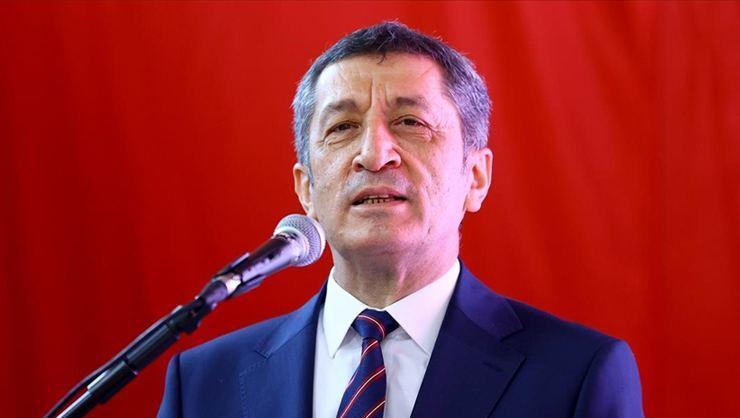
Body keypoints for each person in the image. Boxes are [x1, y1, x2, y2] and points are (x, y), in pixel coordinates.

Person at [157, 21, 643, 418]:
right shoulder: (203, 385)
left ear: (475, 177)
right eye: (343, 127)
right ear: (306, 189)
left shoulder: (576, 376)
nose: (374, 154)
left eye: (410, 122)